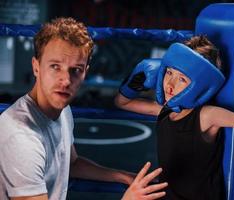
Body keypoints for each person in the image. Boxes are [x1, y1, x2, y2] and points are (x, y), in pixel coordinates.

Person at [0, 17, 167, 200]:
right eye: (55, 66)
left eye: (76, 70)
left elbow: (72, 163)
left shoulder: (62, 109)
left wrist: (121, 176)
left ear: (85, 72)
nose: (66, 81)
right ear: (36, 67)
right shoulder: (20, 136)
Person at [115, 35, 234, 200]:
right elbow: (122, 103)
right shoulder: (165, 110)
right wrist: (136, 80)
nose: (170, 84)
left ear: (200, 84)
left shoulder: (207, 116)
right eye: (169, 72)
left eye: (182, 79)